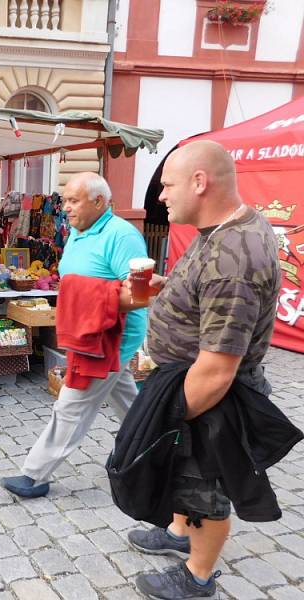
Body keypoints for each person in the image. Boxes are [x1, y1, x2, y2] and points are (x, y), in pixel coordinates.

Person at [125, 140, 283, 599]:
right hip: (185, 375)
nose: (160, 196)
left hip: (211, 392)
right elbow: (203, 296)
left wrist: (168, 421)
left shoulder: (234, 258)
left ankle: (197, 576)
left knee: (204, 484)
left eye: (167, 185)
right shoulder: (220, 231)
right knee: (184, 472)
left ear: (200, 182)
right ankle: (178, 533)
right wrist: (169, 289)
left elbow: (217, 371)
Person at [0, 172, 149, 498]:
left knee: (72, 404)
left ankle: (35, 475)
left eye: (73, 200)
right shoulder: (78, 232)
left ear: (99, 201)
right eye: (65, 200)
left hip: (109, 339)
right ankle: (157, 450)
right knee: (131, 406)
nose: (66, 207)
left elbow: (139, 294)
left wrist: (94, 303)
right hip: (89, 333)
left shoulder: (122, 236)